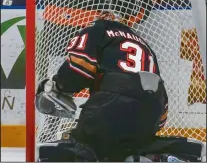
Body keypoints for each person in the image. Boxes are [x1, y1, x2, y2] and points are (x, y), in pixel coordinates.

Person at [36, 11, 168, 162]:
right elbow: (161, 110)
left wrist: (59, 86)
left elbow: (78, 70)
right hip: (152, 112)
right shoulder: (145, 45)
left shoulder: (97, 29)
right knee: (123, 151)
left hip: (111, 103)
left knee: (78, 145)